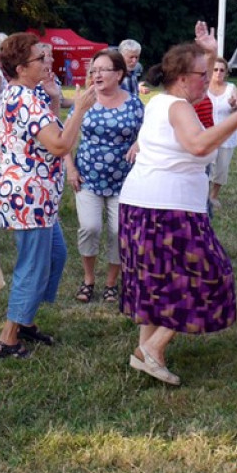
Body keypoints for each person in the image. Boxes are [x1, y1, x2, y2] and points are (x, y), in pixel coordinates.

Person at [119, 22, 237, 385]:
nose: (207, 81)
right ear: (180, 76)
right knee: (211, 275)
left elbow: (199, 118)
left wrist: (209, 48)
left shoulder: (166, 101)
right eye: (202, 75)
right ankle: (152, 348)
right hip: (166, 209)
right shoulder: (177, 107)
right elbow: (199, 145)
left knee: (157, 284)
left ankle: (149, 354)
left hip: (145, 205)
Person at [0, 32, 97, 358]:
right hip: (29, 197)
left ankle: (25, 320)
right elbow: (60, 144)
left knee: (55, 256)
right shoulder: (22, 99)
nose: (47, 62)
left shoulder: (27, 94)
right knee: (33, 265)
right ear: (22, 68)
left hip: (37, 196)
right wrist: (78, 109)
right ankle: (7, 339)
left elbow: (41, 129)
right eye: (40, 58)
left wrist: (53, 99)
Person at [66, 49, 144, 304]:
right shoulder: (85, 100)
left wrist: (139, 143)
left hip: (125, 181)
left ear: (119, 74)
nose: (96, 74)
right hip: (87, 176)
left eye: (103, 69)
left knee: (118, 231)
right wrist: (71, 168)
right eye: (94, 69)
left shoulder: (133, 103)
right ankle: (88, 279)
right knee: (89, 227)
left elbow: (150, 131)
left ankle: (111, 282)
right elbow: (66, 135)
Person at [206, 57, 237, 209]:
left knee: (221, 168)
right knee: (204, 167)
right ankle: (202, 195)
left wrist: (234, 106)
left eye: (222, 70)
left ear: (226, 72)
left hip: (226, 135)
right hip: (206, 134)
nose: (218, 73)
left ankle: (213, 196)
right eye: (215, 69)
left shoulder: (231, 88)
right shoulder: (203, 87)